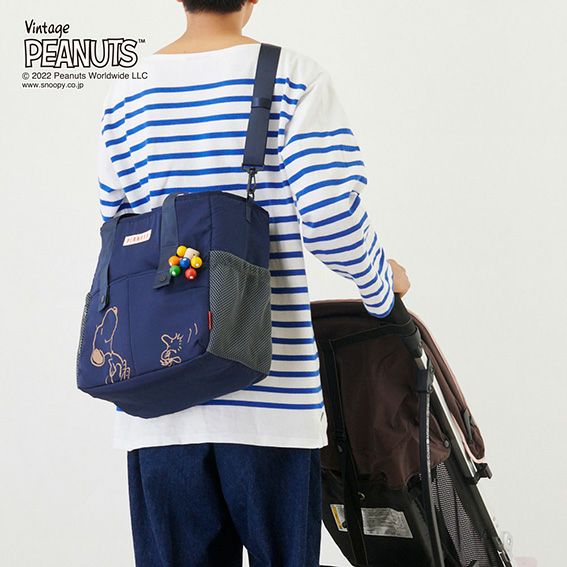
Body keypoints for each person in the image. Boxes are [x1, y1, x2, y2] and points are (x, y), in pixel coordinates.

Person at [96, 0, 410, 565]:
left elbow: (118, 233)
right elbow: (330, 216)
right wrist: (379, 285)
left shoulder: (127, 94)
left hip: (158, 407)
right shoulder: (294, 78)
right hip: (273, 403)